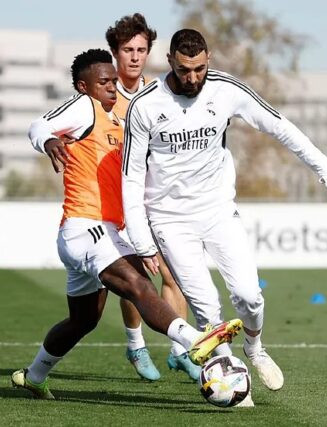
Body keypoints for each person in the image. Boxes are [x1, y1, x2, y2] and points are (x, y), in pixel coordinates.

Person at [122, 30, 327, 394]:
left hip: (217, 209)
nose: (193, 78)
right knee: (207, 308)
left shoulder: (225, 89)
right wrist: (142, 241)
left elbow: (280, 127)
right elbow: (131, 178)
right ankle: (231, 381)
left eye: (199, 69)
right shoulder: (145, 106)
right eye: (184, 70)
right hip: (169, 219)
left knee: (248, 295)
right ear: (169, 62)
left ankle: (255, 348)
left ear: (208, 60)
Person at [11, 49, 242, 400]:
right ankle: (194, 340)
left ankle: (35, 375)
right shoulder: (83, 107)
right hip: (85, 227)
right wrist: (49, 139)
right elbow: (38, 124)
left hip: (106, 230)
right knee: (138, 285)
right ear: (83, 86)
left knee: (83, 320)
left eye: (113, 82)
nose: (111, 88)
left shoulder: (118, 120)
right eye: (103, 82)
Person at [106, 13, 199, 381]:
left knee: (176, 278)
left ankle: (179, 351)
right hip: (117, 202)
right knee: (135, 280)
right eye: (128, 49)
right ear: (115, 52)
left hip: (156, 199)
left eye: (142, 49)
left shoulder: (159, 92)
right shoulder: (101, 91)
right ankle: (136, 345)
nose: (135, 56)